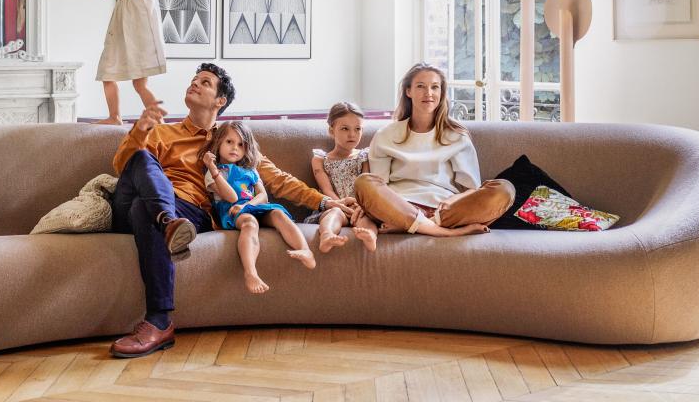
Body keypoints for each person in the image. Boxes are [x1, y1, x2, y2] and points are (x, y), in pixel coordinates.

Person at [108, 62, 356, 359]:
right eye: (194, 79)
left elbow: (277, 179)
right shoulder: (163, 133)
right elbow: (123, 167)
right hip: (147, 206)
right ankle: (167, 221)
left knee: (141, 210)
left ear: (220, 101)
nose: (195, 84)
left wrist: (325, 201)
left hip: (187, 211)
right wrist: (142, 129)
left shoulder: (231, 142)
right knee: (141, 160)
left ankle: (159, 322)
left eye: (205, 82)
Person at [354, 63, 516, 236]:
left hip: (443, 211)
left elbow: (471, 189)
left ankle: (422, 225)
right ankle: (442, 232)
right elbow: (379, 185)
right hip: (399, 208)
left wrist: (453, 201)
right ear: (408, 91)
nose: (428, 93)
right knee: (363, 182)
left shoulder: (457, 136)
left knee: (505, 190)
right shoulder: (385, 135)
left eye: (434, 87)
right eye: (420, 86)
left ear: (441, 93)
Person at [202, 122, 315, 294]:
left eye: (241, 144)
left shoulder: (250, 170)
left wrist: (247, 205)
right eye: (229, 142)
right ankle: (251, 272)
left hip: (252, 206)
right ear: (218, 143)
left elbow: (262, 196)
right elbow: (231, 197)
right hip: (231, 210)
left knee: (278, 213)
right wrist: (212, 168)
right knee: (250, 223)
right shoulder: (215, 172)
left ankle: (306, 251)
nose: (235, 148)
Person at [94, 0, 163, 124]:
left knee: (139, 84)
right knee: (107, 75)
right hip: (118, 37)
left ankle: (159, 121)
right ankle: (114, 116)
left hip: (135, 39)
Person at [304, 102, 379, 253]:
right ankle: (327, 236)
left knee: (366, 218)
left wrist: (360, 205)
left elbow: (366, 184)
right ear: (332, 130)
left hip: (359, 207)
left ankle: (370, 237)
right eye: (345, 129)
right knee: (334, 214)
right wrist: (340, 204)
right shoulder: (320, 159)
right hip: (335, 205)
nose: (352, 134)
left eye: (357, 129)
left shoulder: (364, 156)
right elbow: (326, 189)